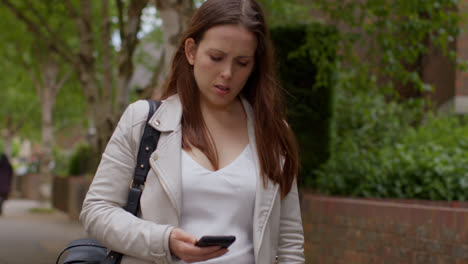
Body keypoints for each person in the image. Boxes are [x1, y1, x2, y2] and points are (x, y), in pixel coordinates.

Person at [80, 0, 305, 263]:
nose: (227, 73)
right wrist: (163, 240)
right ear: (191, 51)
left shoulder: (273, 133)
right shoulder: (144, 121)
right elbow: (96, 211)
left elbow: (289, 242)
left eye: (242, 62)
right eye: (216, 57)